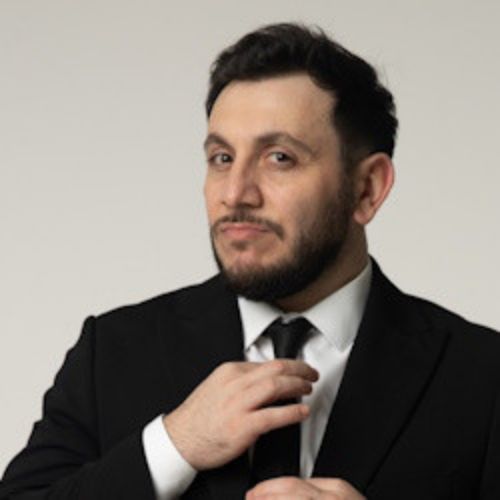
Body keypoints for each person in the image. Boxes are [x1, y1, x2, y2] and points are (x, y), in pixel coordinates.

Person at [1, 22, 499, 500]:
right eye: (222, 158)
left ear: (367, 188)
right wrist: (174, 445)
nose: (235, 193)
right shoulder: (111, 353)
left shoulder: (482, 376)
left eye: (279, 157)